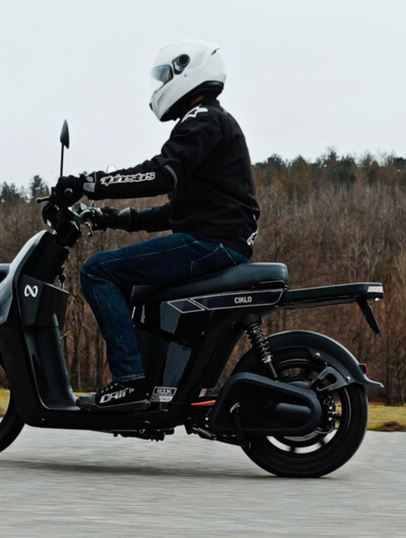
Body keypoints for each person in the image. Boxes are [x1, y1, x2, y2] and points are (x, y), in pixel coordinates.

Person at [52, 40, 260, 412]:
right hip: (219, 239)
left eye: (165, 77)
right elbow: (177, 212)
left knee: (97, 271)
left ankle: (130, 382)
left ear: (187, 71)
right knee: (133, 284)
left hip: (213, 243)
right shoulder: (209, 123)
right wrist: (110, 218)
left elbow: (159, 174)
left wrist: (90, 184)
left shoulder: (202, 119)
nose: (161, 86)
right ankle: (152, 383)